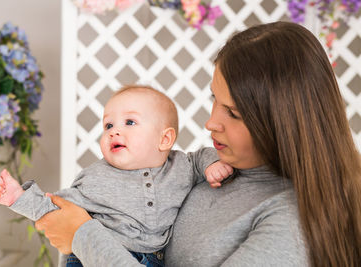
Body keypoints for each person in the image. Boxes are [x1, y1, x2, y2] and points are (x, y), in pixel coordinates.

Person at [32, 21, 361, 267]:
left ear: (281, 121)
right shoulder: (207, 171)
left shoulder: (293, 220)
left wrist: (82, 235)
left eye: (232, 112)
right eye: (214, 99)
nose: (210, 122)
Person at [0, 85, 233, 267]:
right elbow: (56, 208)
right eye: (108, 126)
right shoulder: (96, 178)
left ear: (165, 139)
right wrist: (18, 198)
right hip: (91, 257)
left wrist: (212, 165)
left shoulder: (183, 165)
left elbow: (202, 156)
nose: (114, 131)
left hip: (155, 260)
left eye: (129, 122)